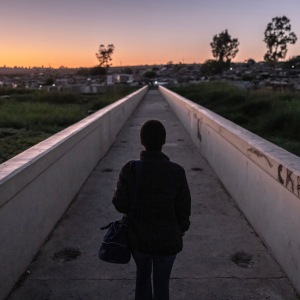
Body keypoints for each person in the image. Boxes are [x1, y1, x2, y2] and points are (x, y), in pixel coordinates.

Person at [112, 120, 191, 300]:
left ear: (142, 141)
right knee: (162, 286)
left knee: (142, 280)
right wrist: (182, 228)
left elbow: (120, 204)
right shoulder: (177, 171)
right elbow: (184, 208)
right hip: (168, 240)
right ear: (163, 141)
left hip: (139, 240)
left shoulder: (130, 169)